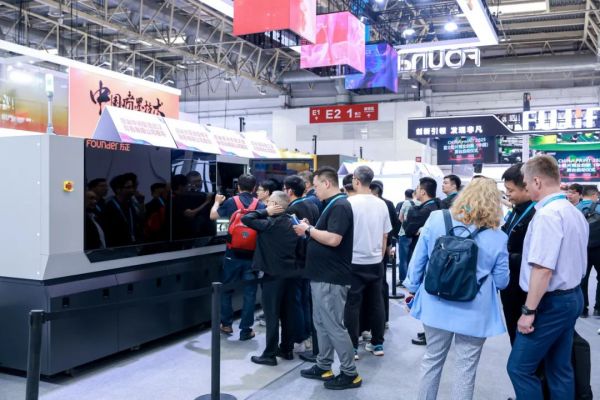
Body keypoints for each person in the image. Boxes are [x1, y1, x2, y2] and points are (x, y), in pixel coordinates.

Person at [404, 177, 509, 400]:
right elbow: (502, 281)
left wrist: (412, 288)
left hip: (435, 302)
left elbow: (419, 259)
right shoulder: (498, 237)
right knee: (465, 369)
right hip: (474, 309)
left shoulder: (436, 219)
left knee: (431, 360)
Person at [507, 155, 588, 400]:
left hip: (550, 303)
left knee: (519, 368)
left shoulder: (547, 215)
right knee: (559, 367)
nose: (526, 188)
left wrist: (528, 311)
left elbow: (543, 269)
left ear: (537, 182)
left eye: (526, 183)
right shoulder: (573, 212)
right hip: (572, 296)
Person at [294, 167, 362, 390]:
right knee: (321, 324)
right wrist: (310, 228)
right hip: (321, 275)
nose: (314, 190)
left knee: (333, 326)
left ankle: (350, 373)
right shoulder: (331, 205)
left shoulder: (340, 205)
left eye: (316, 185)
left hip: (331, 277)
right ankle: (324, 365)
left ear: (326, 183)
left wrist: (308, 230)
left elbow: (334, 239)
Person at [243, 191, 299, 366]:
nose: (266, 204)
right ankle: (287, 349)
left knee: (272, 314)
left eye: (269, 203)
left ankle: (269, 354)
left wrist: (266, 212)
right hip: (292, 273)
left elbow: (246, 218)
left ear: (275, 205)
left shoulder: (269, 223)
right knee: (288, 313)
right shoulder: (294, 222)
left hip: (272, 275)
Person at [210, 174, 265, 341]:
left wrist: (216, 202)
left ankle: (226, 324)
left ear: (238, 187)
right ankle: (245, 330)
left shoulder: (230, 202)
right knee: (250, 293)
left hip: (232, 255)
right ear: (254, 188)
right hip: (252, 256)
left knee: (226, 289)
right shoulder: (260, 205)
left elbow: (213, 216)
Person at [345, 166, 390, 359]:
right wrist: (379, 256)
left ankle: (352, 347)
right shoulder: (381, 204)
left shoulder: (348, 203)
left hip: (353, 261)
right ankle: (377, 343)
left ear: (356, 180)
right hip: (375, 261)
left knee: (352, 304)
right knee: (376, 303)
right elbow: (385, 235)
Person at [283, 175, 320, 359]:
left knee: (296, 300)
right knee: (305, 299)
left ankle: (300, 337)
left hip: (296, 260)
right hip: (310, 259)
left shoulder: (292, 209)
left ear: (289, 190)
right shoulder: (312, 205)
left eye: (284, 189)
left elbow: (292, 238)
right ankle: (308, 334)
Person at [500, 163, 536, 345]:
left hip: (524, 287)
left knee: (524, 341)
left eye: (511, 190)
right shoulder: (516, 210)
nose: (508, 194)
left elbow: (537, 260)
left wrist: (505, 257)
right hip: (510, 283)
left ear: (527, 187)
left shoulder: (537, 214)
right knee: (514, 334)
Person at [403, 177, 441, 346]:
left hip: (425, 259)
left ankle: (430, 334)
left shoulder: (426, 211)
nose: (415, 191)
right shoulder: (438, 207)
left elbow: (408, 229)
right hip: (436, 261)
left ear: (423, 191)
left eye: (417, 188)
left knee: (426, 297)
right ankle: (429, 332)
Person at [370, 180, 404, 319]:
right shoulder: (388, 203)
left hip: (376, 247)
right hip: (385, 246)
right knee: (382, 282)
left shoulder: (377, 204)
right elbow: (395, 224)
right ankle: (384, 318)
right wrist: (391, 240)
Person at [103, 174, 139, 247]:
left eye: (132, 187)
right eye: (128, 187)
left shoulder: (130, 205)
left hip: (132, 245)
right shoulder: (109, 207)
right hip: (117, 248)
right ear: (118, 190)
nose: (132, 190)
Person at [580, 184, 600, 318]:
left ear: (582, 195)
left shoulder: (574, 209)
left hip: (581, 249)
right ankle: (598, 308)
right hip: (598, 248)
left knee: (582, 279)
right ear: (594, 194)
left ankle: (583, 310)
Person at [397, 189, 418, 285]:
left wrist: (406, 226)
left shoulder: (406, 203)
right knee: (412, 257)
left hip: (404, 233)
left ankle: (403, 280)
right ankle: (410, 279)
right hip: (416, 233)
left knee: (403, 259)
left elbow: (400, 218)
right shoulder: (420, 203)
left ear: (405, 195)